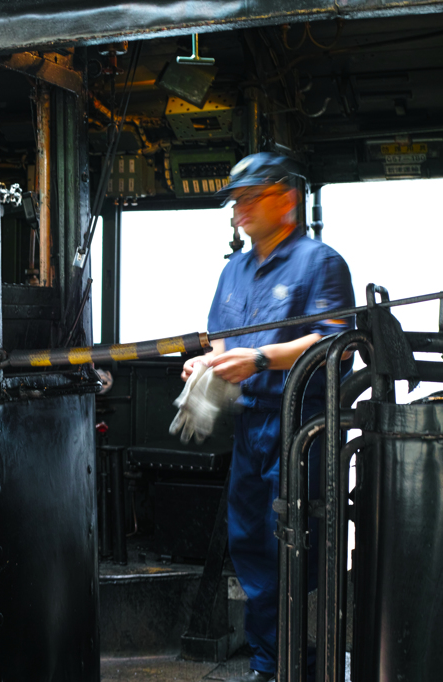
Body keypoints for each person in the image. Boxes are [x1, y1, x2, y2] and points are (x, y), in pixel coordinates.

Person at [180, 153, 354, 682]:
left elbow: (337, 343)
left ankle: (308, 661)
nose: (239, 210)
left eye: (250, 198)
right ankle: (268, 663)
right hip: (250, 425)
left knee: (297, 544)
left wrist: (259, 359)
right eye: (235, 201)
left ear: (286, 199)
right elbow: (221, 338)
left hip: (302, 423)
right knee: (251, 544)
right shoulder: (233, 270)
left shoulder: (319, 263)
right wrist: (206, 362)